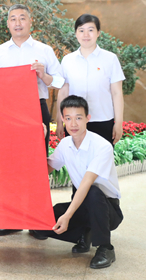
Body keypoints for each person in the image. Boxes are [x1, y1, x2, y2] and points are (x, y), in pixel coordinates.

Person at [0, 3, 63, 236]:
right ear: (7, 24)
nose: (18, 23)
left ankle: (37, 221)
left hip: (35, 109)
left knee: (37, 165)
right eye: (13, 18)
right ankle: (11, 220)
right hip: (7, 112)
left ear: (31, 22)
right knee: (8, 166)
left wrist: (44, 75)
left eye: (22, 18)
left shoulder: (44, 50)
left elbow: (61, 81)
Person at [30, 95, 123, 269]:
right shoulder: (65, 144)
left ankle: (105, 248)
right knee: (40, 225)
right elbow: (42, 171)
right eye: (68, 118)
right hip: (82, 206)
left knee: (93, 192)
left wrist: (67, 216)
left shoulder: (102, 146)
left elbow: (86, 184)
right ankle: (85, 233)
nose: (73, 124)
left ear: (88, 118)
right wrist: (38, 139)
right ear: (63, 119)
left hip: (107, 209)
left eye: (78, 118)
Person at [56, 14, 125, 145]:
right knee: (75, 158)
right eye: (81, 30)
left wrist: (119, 123)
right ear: (76, 33)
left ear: (98, 33)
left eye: (91, 30)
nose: (86, 35)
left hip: (103, 120)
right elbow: (63, 92)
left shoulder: (110, 59)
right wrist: (59, 122)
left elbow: (117, 93)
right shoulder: (67, 60)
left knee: (102, 157)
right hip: (74, 123)